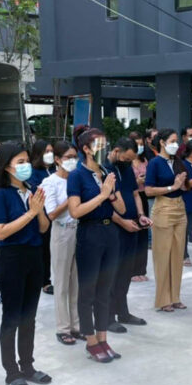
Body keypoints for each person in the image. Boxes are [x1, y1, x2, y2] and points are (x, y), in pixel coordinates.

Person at [0, 142, 52, 385]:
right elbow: (1, 232)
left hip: (34, 256)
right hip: (11, 259)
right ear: (7, 167)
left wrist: (38, 211)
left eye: (27, 161)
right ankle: (11, 371)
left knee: (29, 317)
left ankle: (28, 365)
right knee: (12, 317)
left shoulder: (32, 190)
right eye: (20, 162)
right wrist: (30, 213)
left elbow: (44, 227)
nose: (26, 166)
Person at [68, 128, 127, 363]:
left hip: (110, 233)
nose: (104, 148)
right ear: (86, 148)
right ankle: (90, 340)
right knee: (88, 290)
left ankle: (103, 338)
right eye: (98, 144)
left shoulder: (107, 172)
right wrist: (102, 196)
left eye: (105, 143)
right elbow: (75, 211)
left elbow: (121, 208)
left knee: (105, 289)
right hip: (89, 232)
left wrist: (110, 194)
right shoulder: (77, 175)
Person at [106, 138, 150, 332]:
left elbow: (135, 194)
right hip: (114, 228)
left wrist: (140, 215)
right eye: (127, 158)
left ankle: (123, 312)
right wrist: (122, 222)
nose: (129, 162)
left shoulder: (127, 169)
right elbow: (104, 203)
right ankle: (107, 317)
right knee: (112, 273)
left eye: (132, 159)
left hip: (132, 226)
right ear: (117, 151)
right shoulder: (105, 170)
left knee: (125, 272)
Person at [41, 141, 81, 345]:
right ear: (57, 159)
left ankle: (76, 325)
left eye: (75, 157)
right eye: (68, 157)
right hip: (62, 232)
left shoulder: (78, 177)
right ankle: (63, 327)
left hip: (79, 230)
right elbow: (51, 214)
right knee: (62, 283)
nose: (72, 161)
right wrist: (71, 199)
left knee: (77, 282)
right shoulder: (50, 182)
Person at [144, 128, 189, 312]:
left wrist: (183, 184)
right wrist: (172, 187)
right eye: (172, 141)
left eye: (176, 141)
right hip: (163, 207)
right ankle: (163, 299)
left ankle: (175, 296)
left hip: (180, 208)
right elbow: (148, 190)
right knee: (162, 255)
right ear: (162, 142)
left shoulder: (177, 161)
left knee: (177, 255)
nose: (175, 144)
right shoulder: (155, 163)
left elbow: (183, 187)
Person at [29, 139, 56, 295]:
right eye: (46, 152)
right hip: (43, 215)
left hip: (59, 214)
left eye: (51, 151)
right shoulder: (33, 172)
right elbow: (37, 193)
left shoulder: (54, 169)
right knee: (44, 249)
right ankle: (45, 281)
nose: (50, 154)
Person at [131, 135, 151, 282]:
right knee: (133, 233)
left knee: (143, 232)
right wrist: (136, 181)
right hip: (131, 197)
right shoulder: (127, 163)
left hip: (143, 196)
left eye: (141, 144)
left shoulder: (145, 161)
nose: (140, 147)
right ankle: (132, 271)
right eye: (136, 144)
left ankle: (141, 269)